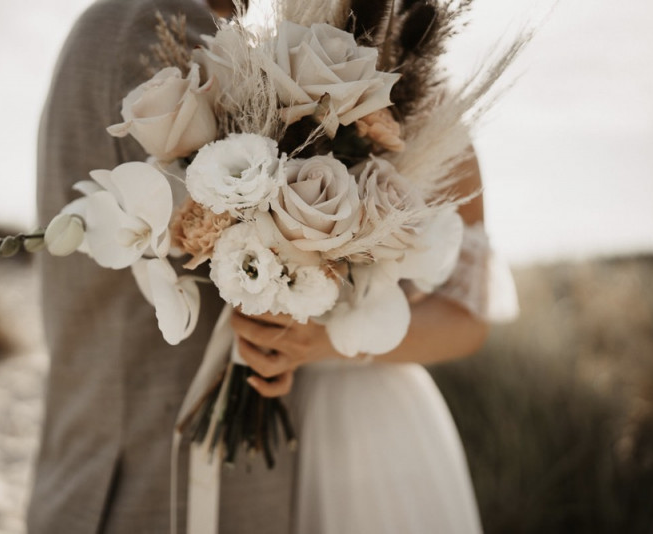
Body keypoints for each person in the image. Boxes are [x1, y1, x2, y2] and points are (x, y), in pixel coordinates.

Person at [30, 0, 505, 532]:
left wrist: (324, 339)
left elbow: (468, 317)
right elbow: (201, 205)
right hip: (185, 456)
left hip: (356, 431)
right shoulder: (230, 53)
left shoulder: (423, 106)